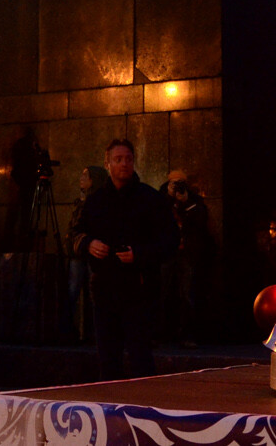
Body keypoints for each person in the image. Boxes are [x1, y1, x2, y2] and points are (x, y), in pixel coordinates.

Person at [69, 139, 179, 379]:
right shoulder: (96, 201)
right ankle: (109, 411)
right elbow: (75, 234)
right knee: (108, 359)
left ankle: (144, 410)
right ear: (107, 163)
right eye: (118, 159)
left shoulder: (150, 199)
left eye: (128, 159)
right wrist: (89, 243)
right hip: (104, 291)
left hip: (139, 291)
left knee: (141, 358)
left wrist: (139, 254)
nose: (124, 164)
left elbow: (170, 241)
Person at [163, 172, 213, 346]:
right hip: (167, 252)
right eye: (174, 183)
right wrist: (169, 198)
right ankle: (163, 334)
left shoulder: (195, 202)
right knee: (163, 292)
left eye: (181, 182)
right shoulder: (162, 199)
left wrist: (186, 202)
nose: (178, 186)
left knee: (187, 294)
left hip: (187, 254)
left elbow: (200, 222)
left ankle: (187, 335)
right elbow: (158, 218)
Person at [65, 166, 110, 342]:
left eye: (86, 175)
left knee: (94, 292)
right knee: (73, 290)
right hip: (80, 252)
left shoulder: (99, 202)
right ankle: (70, 329)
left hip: (93, 252)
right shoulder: (81, 202)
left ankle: (93, 331)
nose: (81, 178)